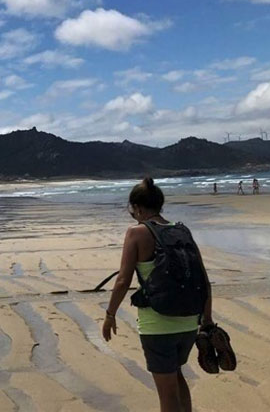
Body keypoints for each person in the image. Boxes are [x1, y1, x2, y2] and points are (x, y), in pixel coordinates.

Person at [102, 177, 212, 412]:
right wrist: (207, 320)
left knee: (167, 392)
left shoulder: (136, 233)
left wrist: (110, 314)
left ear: (138, 208)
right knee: (177, 376)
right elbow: (203, 279)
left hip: (158, 325)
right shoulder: (182, 230)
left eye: (132, 211)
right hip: (189, 322)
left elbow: (122, 281)